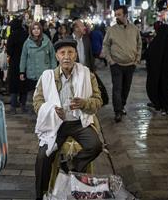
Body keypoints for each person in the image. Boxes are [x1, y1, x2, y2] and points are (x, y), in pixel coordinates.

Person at [33, 38, 103, 200]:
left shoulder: (87, 75)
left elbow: (98, 101)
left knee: (95, 146)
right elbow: (37, 102)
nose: (66, 56)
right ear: (57, 56)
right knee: (43, 158)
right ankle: (41, 195)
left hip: (79, 123)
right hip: (56, 125)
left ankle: (70, 168)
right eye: (62, 53)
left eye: (70, 52)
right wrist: (50, 111)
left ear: (76, 55)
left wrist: (84, 103)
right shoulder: (47, 77)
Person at [102, 5, 142, 123]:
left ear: (125, 15)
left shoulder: (134, 29)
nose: (117, 17)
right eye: (116, 15)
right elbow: (106, 45)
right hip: (117, 65)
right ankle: (117, 111)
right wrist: (110, 61)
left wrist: (137, 59)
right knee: (117, 89)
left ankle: (122, 105)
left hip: (130, 65)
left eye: (119, 15)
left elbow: (139, 44)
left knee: (126, 88)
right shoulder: (111, 30)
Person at [145, 24, 168, 115]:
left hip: (159, 74)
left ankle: (162, 106)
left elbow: (149, 57)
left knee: (161, 89)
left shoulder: (155, 43)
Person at [19, 21, 57, 109]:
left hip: (45, 73)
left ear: (41, 30)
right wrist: (22, 71)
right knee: (34, 94)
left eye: (38, 29)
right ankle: (35, 111)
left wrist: (54, 70)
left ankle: (44, 111)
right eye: (34, 29)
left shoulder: (47, 42)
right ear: (31, 30)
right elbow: (23, 57)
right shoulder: (27, 43)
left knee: (45, 95)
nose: (36, 31)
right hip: (32, 73)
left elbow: (52, 56)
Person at [6, 17, 28, 114]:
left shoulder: (12, 36)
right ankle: (23, 106)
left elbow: (9, 51)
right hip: (25, 63)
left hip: (14, 63)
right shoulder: (26, 35)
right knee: (23, 84)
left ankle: (13, 107)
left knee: (14, 84)